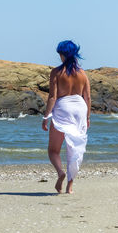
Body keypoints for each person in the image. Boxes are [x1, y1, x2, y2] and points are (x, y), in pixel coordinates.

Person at [42, 40, 91, 194]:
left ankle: (60, 173)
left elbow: (52, 97)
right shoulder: (82, 74)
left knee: (53, 150)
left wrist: (45, 117)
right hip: (79, 109)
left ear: (63, 54)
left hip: (63, 108)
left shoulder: (56, 72)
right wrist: (88, 117)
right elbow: (88, 97)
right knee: (74, 149)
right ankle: (69, 187)